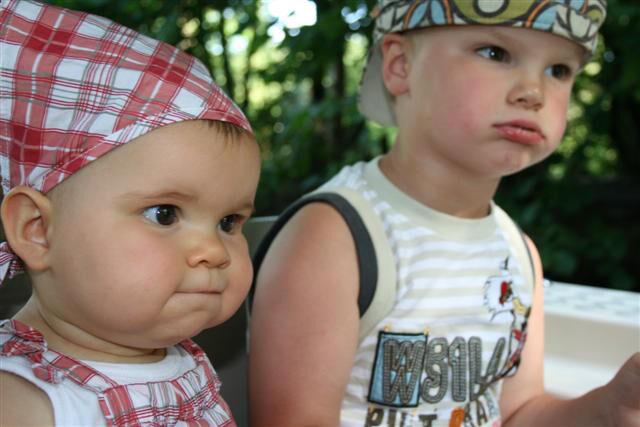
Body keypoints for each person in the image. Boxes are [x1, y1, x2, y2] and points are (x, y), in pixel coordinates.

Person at [248, 1, 640, 426]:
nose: (533, 92)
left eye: (558, 70)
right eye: (495, 53)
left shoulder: (518, 254)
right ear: (400, 65)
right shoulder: (335, 238)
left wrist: (613, 405)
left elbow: (518, 413)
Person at [0, 1, 260, 426]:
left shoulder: (182, 365)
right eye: (165, 214)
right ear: (38, 229)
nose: (214, 251)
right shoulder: (23, 401)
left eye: (228, 222)